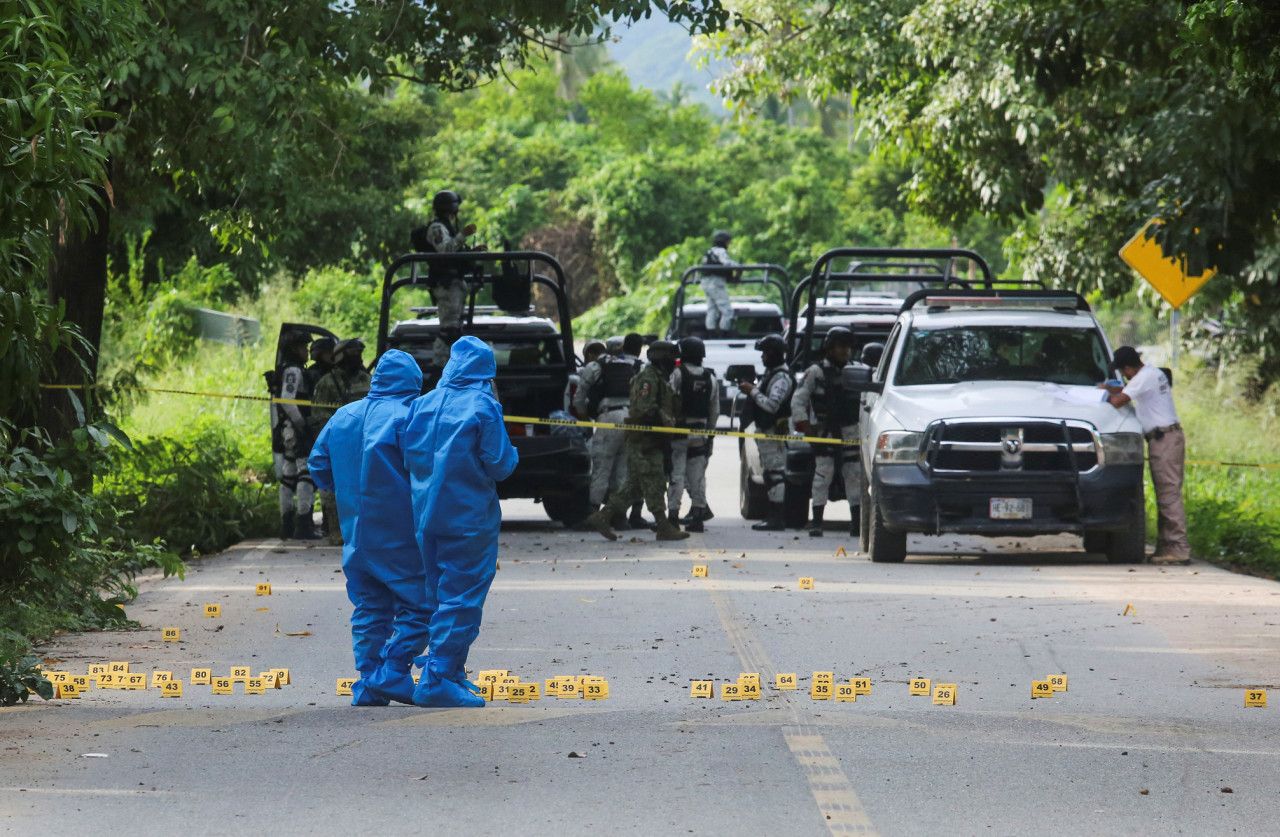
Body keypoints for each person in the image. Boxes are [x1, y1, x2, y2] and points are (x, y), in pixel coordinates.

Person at [308, 350, 431, 706]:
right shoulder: (411, 415)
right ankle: (392, 671)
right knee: (421, 604)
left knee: (369, 607)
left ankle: (368, 683)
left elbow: (317, 466)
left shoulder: (342, 416)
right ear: (413, 382)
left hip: (355, 532)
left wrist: (348, 488)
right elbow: (429, 470)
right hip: (400, 533)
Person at [401, 336, 518, 707]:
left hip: (425, 514)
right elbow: (501, 464)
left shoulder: (422, 404)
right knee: (463, 597)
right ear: (486, 371)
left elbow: (407, 455)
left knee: (439, 595)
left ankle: (449, 673)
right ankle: (437, 677)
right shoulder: (483, 406)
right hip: (467, 516)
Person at [585, 341, 690, 542]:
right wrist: (665, 423)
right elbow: (646, 408)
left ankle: (603, 516)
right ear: (662, 359)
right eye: (670, 360)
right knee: (654, 480)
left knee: (634, 485)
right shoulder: (648, 378)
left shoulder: (658, 378)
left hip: (652, 440)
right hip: (645, 441)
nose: (673, 364)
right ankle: (663, 525)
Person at [1101, 346, 1190, 565]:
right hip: (1167, 438)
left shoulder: (1142, 378)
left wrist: (1103, 393)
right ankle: (1167, 546)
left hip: (1164, 440)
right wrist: (1110, 388)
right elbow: (1126, 389)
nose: (1123, 375)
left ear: (1129, 368)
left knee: (1169, 494)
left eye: (1123, 371)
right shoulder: (1151, 373)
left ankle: (1178, 548)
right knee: (1166, 492)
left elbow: (1118, 400)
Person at [792, 327, 863, 537]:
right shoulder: (816, 372)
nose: (845, 351)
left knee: (854, 476)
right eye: (841, 347)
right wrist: (806, 427)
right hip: (826, 433)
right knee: (822, 475)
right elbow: (798, 400)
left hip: (852, 432)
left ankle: (857, 522)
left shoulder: (858, 370)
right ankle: (817, 522)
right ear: (830, 348)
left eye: (848, 347)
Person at [574, 335, 642, 530]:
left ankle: (593, 515)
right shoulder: (632, 366)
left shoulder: (596, 366)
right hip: (629, 420)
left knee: (602, 470)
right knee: (622, 471)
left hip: (608, 419)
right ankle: (619, 517)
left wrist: (584, 415)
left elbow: (580, 395)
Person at [411, 190, 483, 369]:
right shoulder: (437, 228)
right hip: (446, 283)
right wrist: (462, 235)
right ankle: (440, 367)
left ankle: (453, 366)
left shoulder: (446, 227)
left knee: (456, 328)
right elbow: (444, 250)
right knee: (449, 330)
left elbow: (452, 252)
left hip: (454, 283)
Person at [740, 334, 794, 531]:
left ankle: (777, 517)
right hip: (767, 433)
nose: (763, 357)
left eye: (766, 353)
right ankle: (773, 515)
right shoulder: (771, 375)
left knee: (776, 475)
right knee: (771, 474)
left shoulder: (781, 378)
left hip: (775, 434)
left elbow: (772, 405)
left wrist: (752, 391)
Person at [270, 331, 320, 539]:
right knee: (305, 473)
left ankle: (287, 523)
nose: (307, 352)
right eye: (302, 348)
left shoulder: (288, 370)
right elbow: (287, 400)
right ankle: (303, 523)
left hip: (286, 428)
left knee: (289, 474)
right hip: (295, 428)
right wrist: (302, 425)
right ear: (293, 349)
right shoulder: (293, 371)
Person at [668, 336, 720, 532]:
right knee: (697, 477)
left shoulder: (677, 374)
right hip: (700, 434)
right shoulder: (710, 378)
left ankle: (672, 518)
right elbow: (714, 410)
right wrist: (710, 436)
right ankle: (698, 517)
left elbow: (670, 400)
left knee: (677, 476)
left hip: (679, 434)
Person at [312, 339, 373, 428]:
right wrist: (340, 422)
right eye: (352, 353)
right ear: (340, 356)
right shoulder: (328, 381)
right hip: (339, 433)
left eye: (359, 353)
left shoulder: (367, 379)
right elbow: (317, 411)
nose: (357, 356)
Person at [701, 230, 737, 338]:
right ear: (724, 242)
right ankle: (724, 333)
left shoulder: (709, 252)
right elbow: (727, 263)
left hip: (706, 283)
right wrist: (739, 266)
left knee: (712, 309)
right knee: (727, 311)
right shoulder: (721, 251)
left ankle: (710, 332)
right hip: (716, 283)